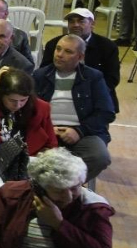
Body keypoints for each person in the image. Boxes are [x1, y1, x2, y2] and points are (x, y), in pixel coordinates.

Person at [32, 35, 115, 184]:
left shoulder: (93, 77)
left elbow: (106, 112)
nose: (60, 54)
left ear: (80, 57)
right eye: (58, 49)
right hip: (47, 131)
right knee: (27, 153)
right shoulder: (40, 75)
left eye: (68, 51)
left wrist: (79, 131)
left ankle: (64, 188)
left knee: (100, 157)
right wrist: (48, 128)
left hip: (84, 133)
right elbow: (29, 109)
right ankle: (55, 190)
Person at [41, 8, 120, 111]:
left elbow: (112, 78)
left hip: (95, 95)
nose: (75, 25)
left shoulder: (107, 47)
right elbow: (44, 73)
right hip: (60, 93)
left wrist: (90, 93)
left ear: (92, 24)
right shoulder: (54, 44)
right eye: (71, 21)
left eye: (81, 21)